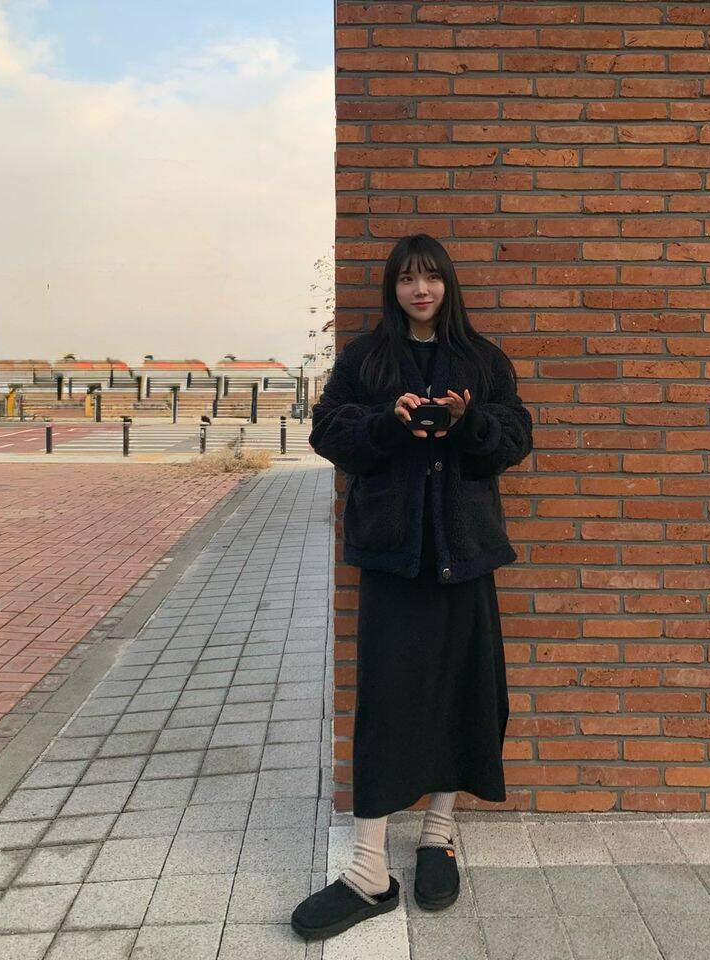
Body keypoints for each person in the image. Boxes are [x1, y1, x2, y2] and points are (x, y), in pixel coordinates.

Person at [292, 233, 533, 941]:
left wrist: (469, 421)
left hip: (465, 557)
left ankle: (437, 835)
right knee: (387, 703)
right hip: (393, 561)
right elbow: (328, 433)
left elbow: (515, 438)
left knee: (463, 692)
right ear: (392, 288)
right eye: (407, 279)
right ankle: (368, 870)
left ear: (447, 284)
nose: (420, 290)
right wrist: (386, 423)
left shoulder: (482, 359)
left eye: (431, 278)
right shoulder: (366, 359)